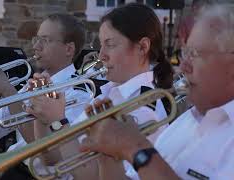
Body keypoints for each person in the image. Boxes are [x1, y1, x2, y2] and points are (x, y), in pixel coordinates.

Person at [80, 4, 234, 179]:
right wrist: (108, 156)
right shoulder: (185, 121)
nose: (183, 66)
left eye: (196, 54)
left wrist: (135, 147)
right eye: (185, 53)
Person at [25, 3, 174, 179]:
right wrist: (42, 118)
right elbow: (53, 158)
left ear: (142, 47)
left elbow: (93, 175)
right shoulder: (109, 92)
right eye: (101, 45)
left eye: (110, 44)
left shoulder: (144, 109)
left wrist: (58, 121)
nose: (101, 55)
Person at [0, 13, 92, 179]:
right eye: (36, 39)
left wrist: (8, 93)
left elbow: (48, 153)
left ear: (69, 49)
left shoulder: (79, 92)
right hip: (13, 169)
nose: (36, 46)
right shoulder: (32, 85)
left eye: (46, 40)